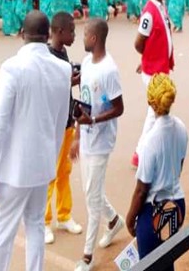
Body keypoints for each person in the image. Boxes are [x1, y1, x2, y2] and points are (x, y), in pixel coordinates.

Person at [0, 11, 72, 271]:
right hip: (42, 167)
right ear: (47, 35)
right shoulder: (63, 69)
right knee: (35, 226)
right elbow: (60, 122)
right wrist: (50, 159)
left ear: (22, 34)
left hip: (13, 171)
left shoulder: (12, 68)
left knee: (2, 233)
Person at [72, 19, 126, 271]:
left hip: (101, 142)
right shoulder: (86, 63)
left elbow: (119, 108)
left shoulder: (109, 70)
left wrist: (93, 120)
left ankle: (87, 257)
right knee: (90, 191)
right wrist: (77, 135)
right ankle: (114, 221)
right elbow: (83, 102)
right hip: (86, 138)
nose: (82, 37)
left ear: (94, 38)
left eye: (85, 34)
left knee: (92, 200)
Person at [126, 74, 188, 267]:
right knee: (167, 261)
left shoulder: (150, 141)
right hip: (177, 204)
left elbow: (141, 190)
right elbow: (179, 167)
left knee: (149, 264)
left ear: (150, 103)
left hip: (155, 210)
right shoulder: (181, 127)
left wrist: (130, 219)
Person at [43, 12, 83, 244]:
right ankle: (45, 221)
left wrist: (73, 80)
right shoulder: (48, 56)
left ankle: (64, 214)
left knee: (64, 171)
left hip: (67, 121)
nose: (75, 35)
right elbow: (49, 87)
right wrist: (69, 80)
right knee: (50, 173)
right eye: (72, 31)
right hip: (53, 125)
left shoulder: (63, 52)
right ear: (60, 32)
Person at [133, 0, 174, 169]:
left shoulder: (161, 7)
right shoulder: (149, 13)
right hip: (154, 70)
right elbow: (138, 42)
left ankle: (150, 149)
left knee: (157, 112)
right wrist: (147, 58)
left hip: (160, 67)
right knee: (155, 111)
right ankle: (140, 153)